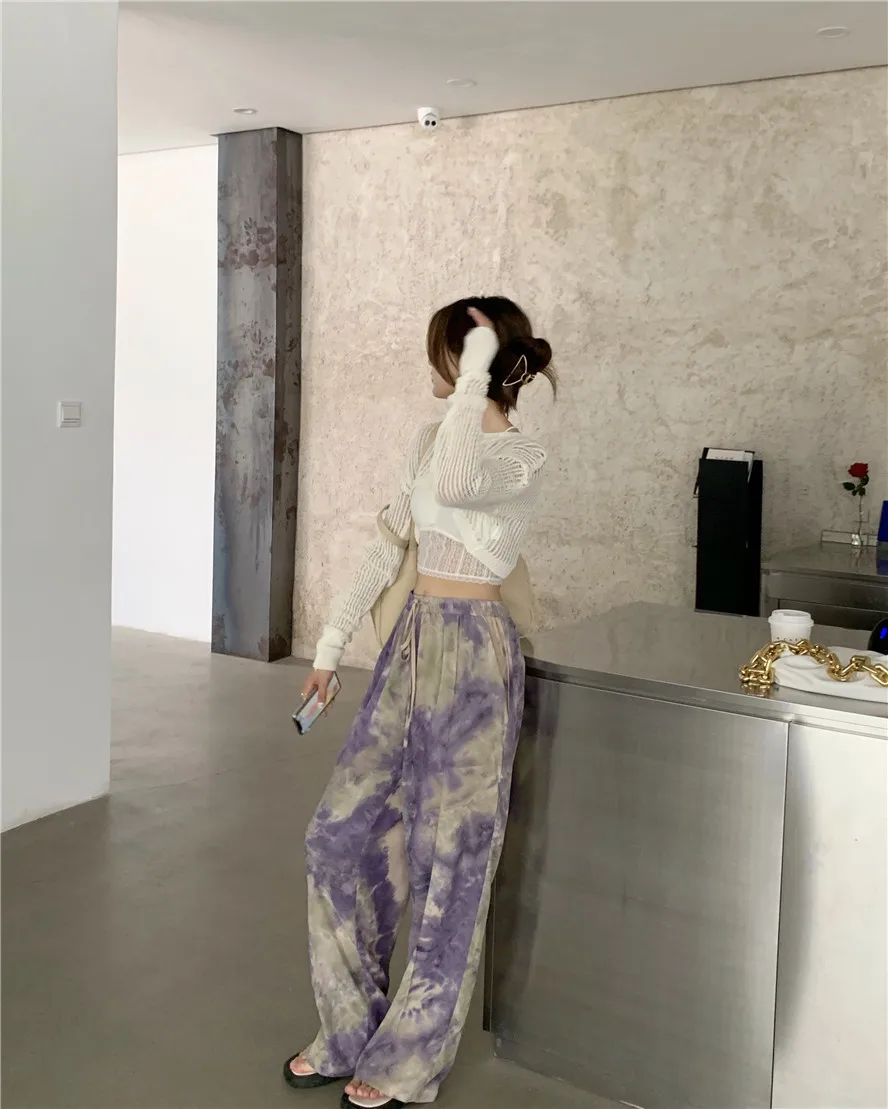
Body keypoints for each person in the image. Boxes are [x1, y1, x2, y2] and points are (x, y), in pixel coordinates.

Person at [283, 296, 555, 1109]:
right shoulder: (429, 439)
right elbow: (388, 543)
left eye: (449, 353)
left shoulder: (523, 456)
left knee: (453, 864)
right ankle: (346, 1029)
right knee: (337, 834)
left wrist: (474, 370)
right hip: (410, 641)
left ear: (476, 359)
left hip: (475, 657)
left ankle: (406, 1060)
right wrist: (329, 646)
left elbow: (461, 483)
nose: (436, 370)